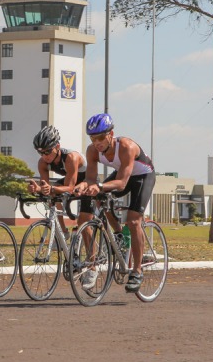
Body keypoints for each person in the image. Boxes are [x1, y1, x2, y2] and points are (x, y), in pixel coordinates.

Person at [74, 113, 155, 293]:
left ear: (111, 134)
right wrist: (83, 185)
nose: (97, 142)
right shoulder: (92, 150)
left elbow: (122, 183)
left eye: (101, 137)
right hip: (121, 175)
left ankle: (137, 271)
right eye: (93, 138)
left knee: (133, 221)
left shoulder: (126, 146)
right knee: (99, 199)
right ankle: (118, 235)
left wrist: (99, 186)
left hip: (142, 177)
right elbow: (91, 178)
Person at [27, 125, 93, 238]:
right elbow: (46, 187)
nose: (44, 156)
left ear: (57, 146)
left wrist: (51, 188)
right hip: (71, 180)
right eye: (40, 153)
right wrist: (38, 188)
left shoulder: (71, 158)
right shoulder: (42, 163)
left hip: (88, 181)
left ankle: (92, 256)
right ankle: (63, 232)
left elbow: (70, 188)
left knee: (83, 223)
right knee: (53, 192)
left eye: (47, 151)